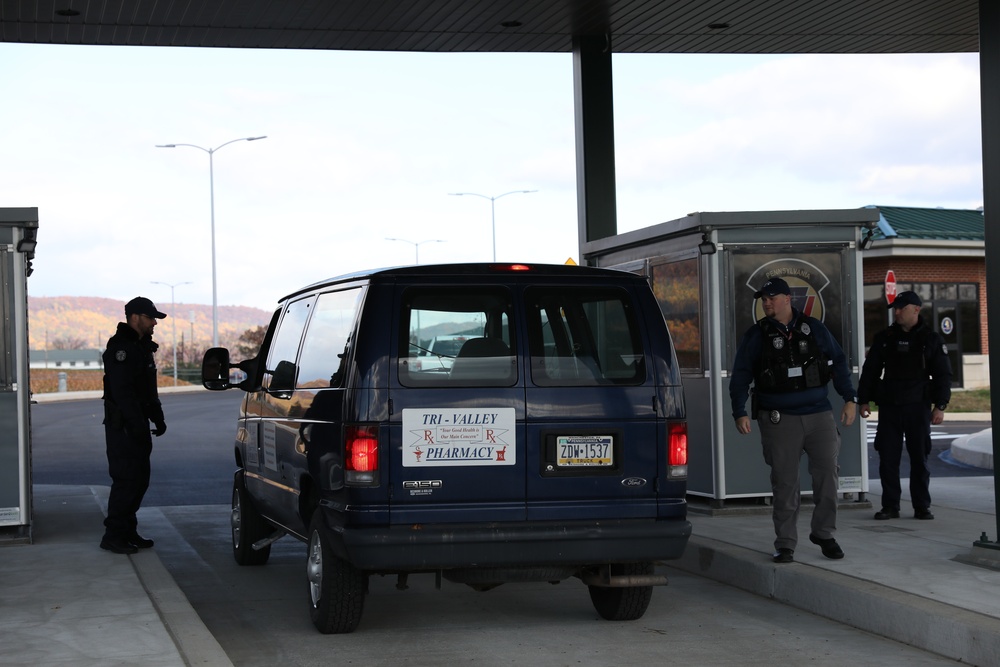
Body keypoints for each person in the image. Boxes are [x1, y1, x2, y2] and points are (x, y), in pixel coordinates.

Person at [730, 277, 857, 564]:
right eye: (763, 299)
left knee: (828, 475)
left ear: (788, 299)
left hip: (818, 414)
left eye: (771, 298)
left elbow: (838, 361)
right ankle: (785, 543)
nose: (766, 303)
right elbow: (740, 376)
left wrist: (850, 398)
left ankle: (823, 533)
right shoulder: (756, 335)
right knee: (785, 482)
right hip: (779, 418)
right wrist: (739, 411)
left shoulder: (813, 328)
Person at [857, 290, 952, 521]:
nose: (897, 312)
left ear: (916, 309)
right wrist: (863, 399)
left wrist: (940, 405)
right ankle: (890, 506)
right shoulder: (885, 337)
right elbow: (871, 370)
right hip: (890, 406)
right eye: (895, 309)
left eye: (901, 308)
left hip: (917, 407)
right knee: (888, 457)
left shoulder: (931, 339)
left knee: (919, 458)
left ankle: (922, 506)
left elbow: (943, 375)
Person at [99, 296, 168, 554]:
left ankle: (128, 531)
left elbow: (149, 390)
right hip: (124, 427)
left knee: (139, 480)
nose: (154, 323)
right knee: (126, 480)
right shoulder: (122, 349)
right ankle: (113, 535)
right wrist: (136, 424)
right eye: (151, 318)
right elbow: (122, 392)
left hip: (137, 425)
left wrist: (157, 417)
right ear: (136, 317)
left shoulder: (141, 348)